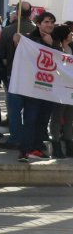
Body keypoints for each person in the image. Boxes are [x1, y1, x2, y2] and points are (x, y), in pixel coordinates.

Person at [14, 12, 58, 162]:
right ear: (38, 24)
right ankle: (24, 150)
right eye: (46, 22)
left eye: (52, 22)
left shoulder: (55, 39)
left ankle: (37, 148)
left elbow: (61, 61)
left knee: (43, 120)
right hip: (32, 88)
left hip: (49, 89)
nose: (50, 25)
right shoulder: (28, 38)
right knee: (30, 119)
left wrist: (51, 45)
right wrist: (16, 42)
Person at [0, 2, 35, 151]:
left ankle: (15, 139)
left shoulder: (7, 30)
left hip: (13, 74)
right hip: (32, 76)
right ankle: (27, 137)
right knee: (30, 109)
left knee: (14, 109)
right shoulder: (37, 30)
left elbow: (1, 54)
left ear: (18, 12)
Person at [50, 24, 73, 158]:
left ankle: (69, 143)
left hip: (70, 89)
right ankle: (56, 143)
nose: (71, 35)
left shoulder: (71, 48)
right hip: (59, 88)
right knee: (57, 117)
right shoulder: (55, 49)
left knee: (69, 117)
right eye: (69, 33)